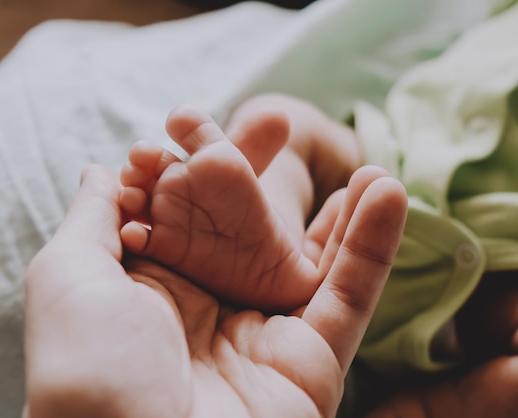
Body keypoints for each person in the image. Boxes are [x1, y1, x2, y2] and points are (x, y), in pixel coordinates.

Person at [23, 103, 409, 417]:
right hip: (401, 160)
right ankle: (275, 227)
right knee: (289, 128)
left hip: (425, 330)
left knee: (284, 130)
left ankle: (269, 242)